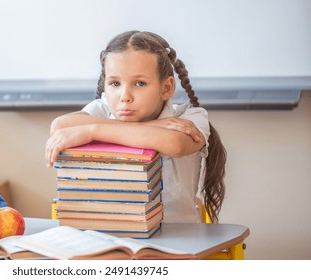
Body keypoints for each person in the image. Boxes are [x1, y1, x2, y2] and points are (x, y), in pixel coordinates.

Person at [45, 30, 226, 223]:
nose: (125, 96)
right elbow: (60, 126)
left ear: (166, 88)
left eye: (140, 83)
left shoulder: (189, 117)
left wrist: (93, 131)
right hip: (114, 234)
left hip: (176, 238)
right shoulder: (103, 108)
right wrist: (154, 125)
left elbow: (175, 144)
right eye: (115, 83)